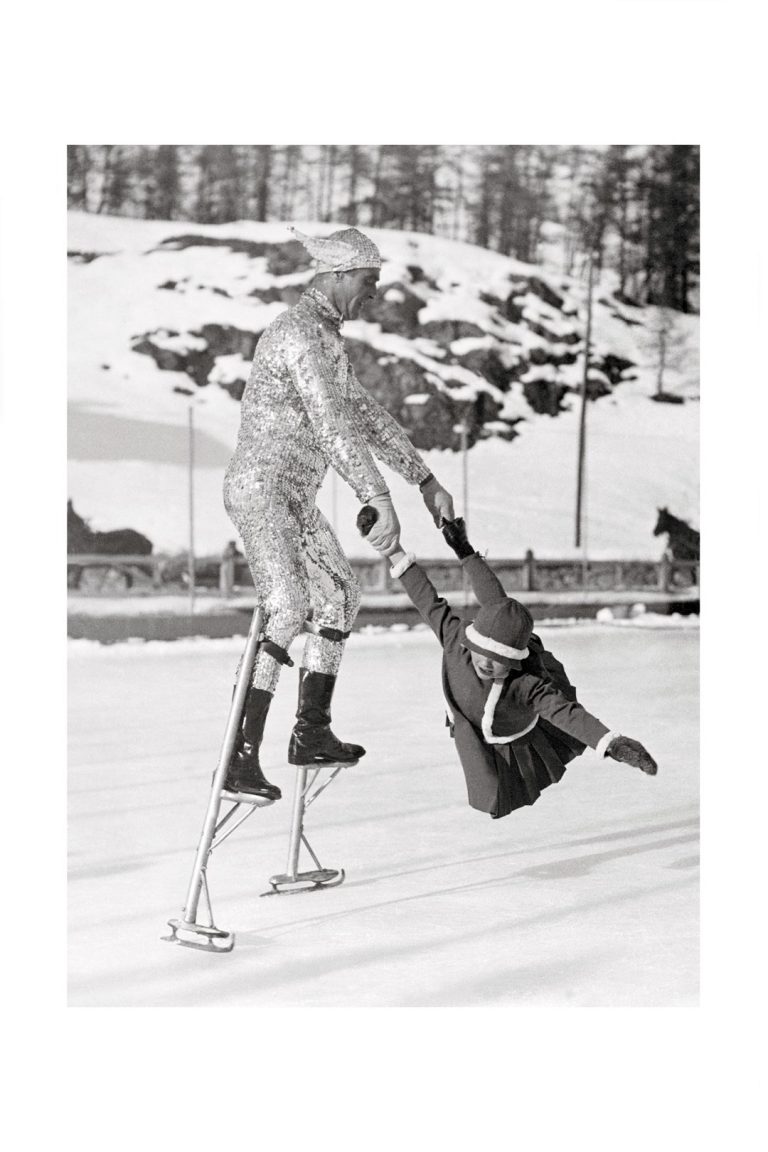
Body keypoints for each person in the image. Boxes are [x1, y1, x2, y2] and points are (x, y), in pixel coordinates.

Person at [222, 226, 454, 800]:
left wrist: (424, 480)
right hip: (262, 490)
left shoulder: (327, 341)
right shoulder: (297, 334)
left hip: (295, 498)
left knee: (342, 595)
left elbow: (365, 417)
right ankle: (238, 755)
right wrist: (376, 497)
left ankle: (311, 730)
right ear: (339, 274)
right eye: (369, 282)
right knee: (288, 604)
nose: (373, 294)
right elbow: (331, 425)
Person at [358, 508, 657, 819]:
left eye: (499, 660)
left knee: (496, 790)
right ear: (471, 641)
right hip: (468, 711)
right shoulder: (455, 636)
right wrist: (393, 550)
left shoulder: (524, 684)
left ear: (513, 663)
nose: (487, 663)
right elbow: (427, 599)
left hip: (509, 723)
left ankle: (466, 553)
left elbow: (565, 713)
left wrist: (611, 742)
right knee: (497, 606)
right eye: (483, 651)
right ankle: (463, 548)